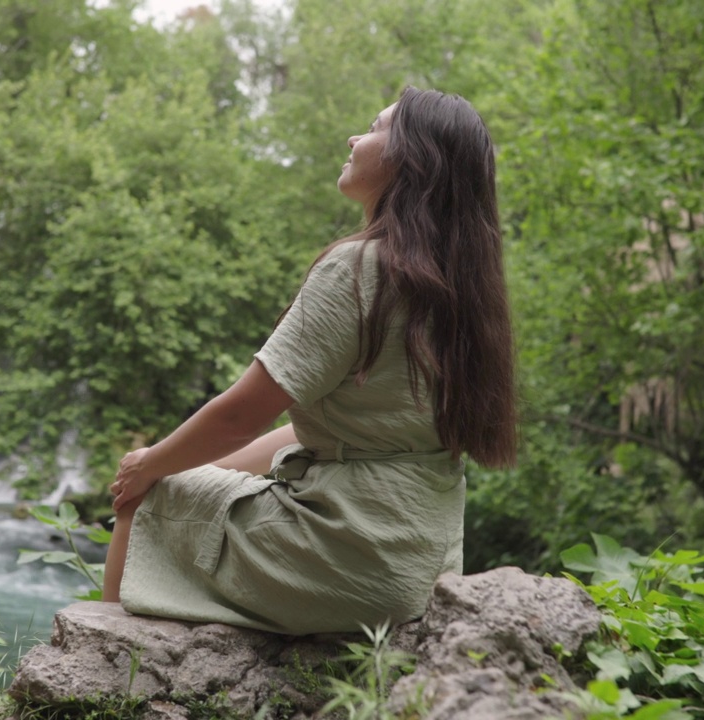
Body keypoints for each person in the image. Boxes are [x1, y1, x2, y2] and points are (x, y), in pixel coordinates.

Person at [102, 86, 518, 635]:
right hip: (417, 568)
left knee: (148, 499)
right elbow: (319, 436)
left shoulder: (360, 267)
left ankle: (98, 655)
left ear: (412, 158)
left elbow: (240, 416)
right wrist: (190, 463)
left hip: (344, 558)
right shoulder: (464, 289)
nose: (354, 137)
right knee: (179, 476)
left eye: (374, 126)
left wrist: (150, 467)